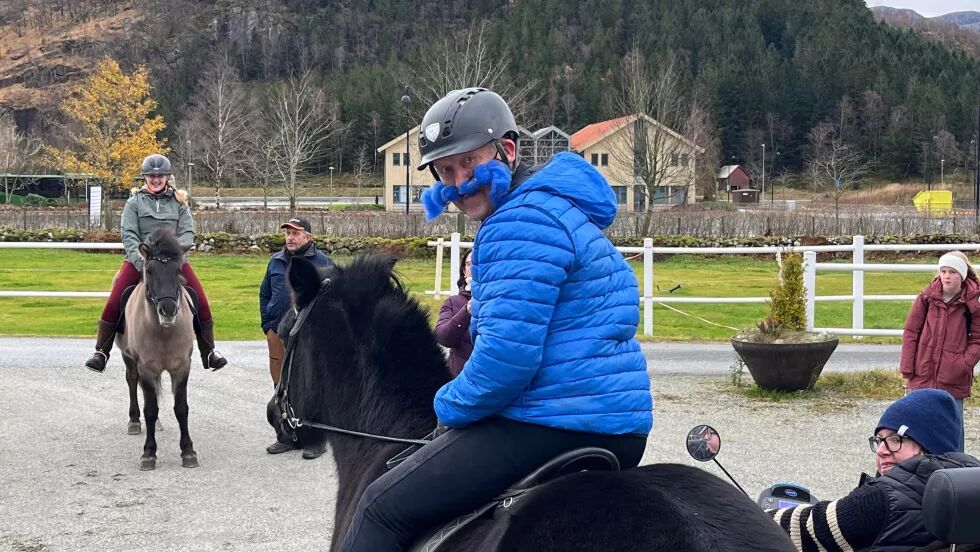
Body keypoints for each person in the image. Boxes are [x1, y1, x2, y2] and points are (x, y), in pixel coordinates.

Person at [337, 88, 652, 551]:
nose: (460, 182)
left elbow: (506, 362)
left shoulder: (516, 222)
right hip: (615, 422)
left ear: (506, 150)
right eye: (446, 171)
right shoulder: (555, 207)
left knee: (378, 508)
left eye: (468, 163)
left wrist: (445, 407)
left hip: (550, 423)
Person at [768, 389, 980, 551]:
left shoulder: (880, 499)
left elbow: (802, 529)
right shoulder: (971, 487)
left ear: (928, 446)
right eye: (878, 440)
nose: (881, 451)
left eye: (895, 440)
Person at [84, 154, 227, 373]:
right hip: (141, 260)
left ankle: (209, 351)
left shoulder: (179, 203)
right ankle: (101, 351)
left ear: (167, 177)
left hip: (172, 262)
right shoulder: (134, 203)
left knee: (201, 299)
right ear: (145, 177)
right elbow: (129, 234)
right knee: (115, 300)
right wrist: (141, 258)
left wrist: (177, 255)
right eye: (152, 176)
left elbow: (188, 232)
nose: (156, 179)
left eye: (160, 176)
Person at [260, 217, 334, 458]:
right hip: (276, 332)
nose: (290, 237)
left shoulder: (323, 263)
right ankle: (286, 437)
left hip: (307, 335)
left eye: (296, 233)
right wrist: (268, 324)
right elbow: (265, 293)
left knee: (310, 384)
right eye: (288, 233)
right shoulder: (276, 261)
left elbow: (332, 300)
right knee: (281, 385)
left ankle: (315, 441)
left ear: (308, 237)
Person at [901, 250, 980, 452]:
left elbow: (978, 340)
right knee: (919, 426)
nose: (946, 276)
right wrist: (908, 368)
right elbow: (911, 332)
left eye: (952, 272)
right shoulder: (926, 298)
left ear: (962, 275)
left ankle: (955, 471)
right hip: (923, 373)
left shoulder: (972, 305)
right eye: (943, 271)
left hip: (953, 378)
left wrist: (962, 365)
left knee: (953, 428)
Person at [433, 249, 473, 377]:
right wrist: (466, 311)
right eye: (469, 263)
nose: (474, 267)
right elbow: (443, 337)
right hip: (460, 378)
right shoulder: (453, 302)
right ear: (464, 271)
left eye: (479, 262)